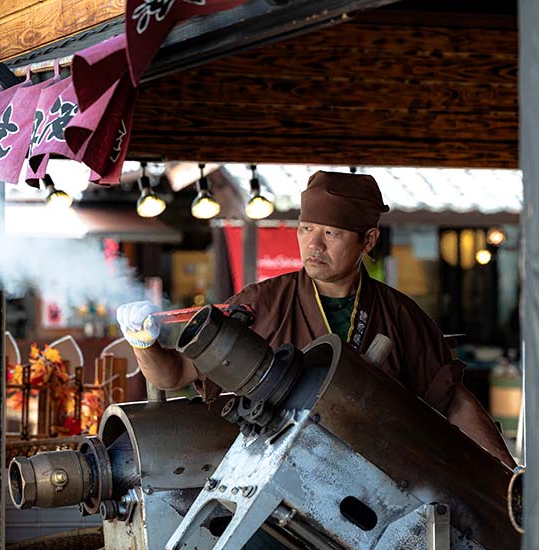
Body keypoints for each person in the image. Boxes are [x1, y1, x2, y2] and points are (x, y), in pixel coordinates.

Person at [117, 170, 516, 469]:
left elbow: (453, 400)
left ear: (368, 241)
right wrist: (143, 342)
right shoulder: (264, 301)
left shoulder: (400, 314)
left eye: (332, 233)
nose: (314, 244)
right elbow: (171, 376)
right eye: (306, 228)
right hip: (274, 481)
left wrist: (507, 473)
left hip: (384, 483)